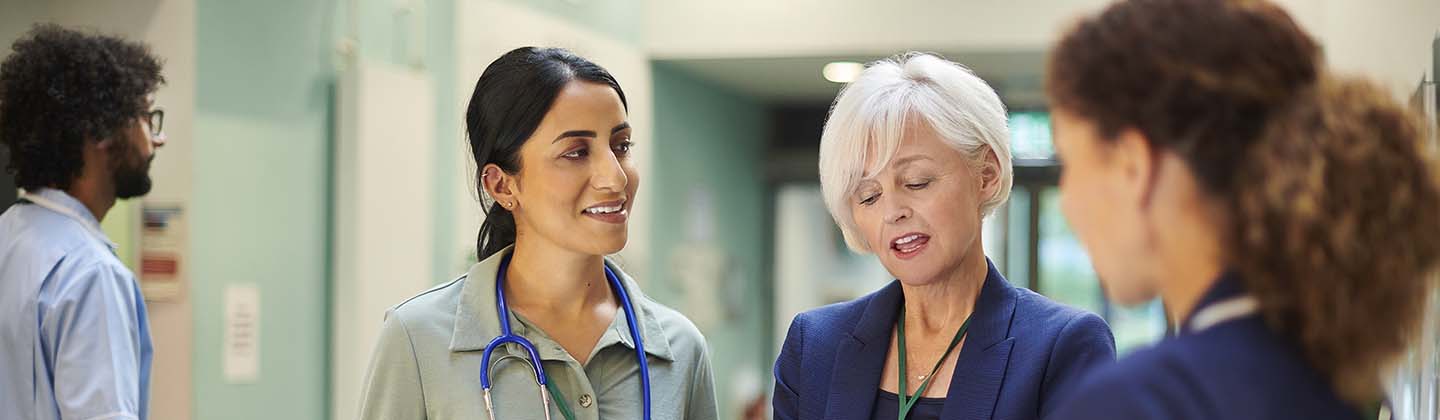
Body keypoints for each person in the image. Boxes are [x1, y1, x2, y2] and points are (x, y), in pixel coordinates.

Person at [1044, 0, 1440, 418]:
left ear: (1132, 166)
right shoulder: (1346, 389)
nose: (1067, 201)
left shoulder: (1136, 404)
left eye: (1070, 161)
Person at [358, 47, 718, 420]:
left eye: (621, 146)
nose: (616, 177)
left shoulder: (681, 348)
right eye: (576, 152)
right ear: (502, 186)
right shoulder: (418, 339)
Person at [772, 52, 1116, 420]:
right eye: (869, 196)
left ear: (986, 175)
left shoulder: (1063, 347)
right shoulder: (814, 345)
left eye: (916, 182)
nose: (893, 212)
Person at [0, 24, 167, 420]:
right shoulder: (90, 273)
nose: (157, 140)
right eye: (146, 118)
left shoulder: (7, 236)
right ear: (101, 132)